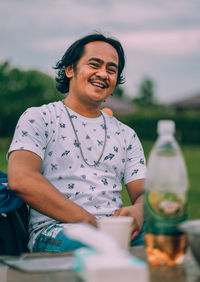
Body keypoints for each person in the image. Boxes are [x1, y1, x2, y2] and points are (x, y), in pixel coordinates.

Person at [7, 33, 146, 252]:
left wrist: (140, 210)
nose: (103, 74)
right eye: (94, 64)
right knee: (99, 248)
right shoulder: (39, 118)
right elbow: (21, 180)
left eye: (111, 69)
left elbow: (143, 193)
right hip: (56, 230)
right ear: (70, 70)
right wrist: (90, 223)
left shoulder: (126, 134)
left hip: (115, 229)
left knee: (172, 234)